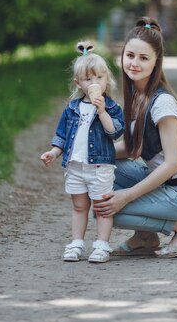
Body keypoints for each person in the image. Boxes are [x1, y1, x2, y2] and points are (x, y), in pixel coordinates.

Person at [93, 16, 177, 258]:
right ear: (122, 56)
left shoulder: (162, 103)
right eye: (130, 55)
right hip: (170, 184)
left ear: (156, 62)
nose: (135, 63)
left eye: (144, 58)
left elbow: (172, 163)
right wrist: (92, 152)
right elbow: (133, 148)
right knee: (104, 166)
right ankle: (145, 237)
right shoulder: (138, 95)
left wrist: (126, 195)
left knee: (103, 209)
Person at [40, 42, 125, 263]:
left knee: (102, 208)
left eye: (98, 78)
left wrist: (102, 110)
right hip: (75, 166)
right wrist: (53, 152)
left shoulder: (112, 108)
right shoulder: (72, 108)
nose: (94, 83)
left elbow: (115, 133)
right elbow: (62, 135)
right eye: (88, 79)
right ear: (78, 83)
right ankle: (77, 243)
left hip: (99, 167)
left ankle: (101, 245)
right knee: (79, 206)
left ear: (107, 80)